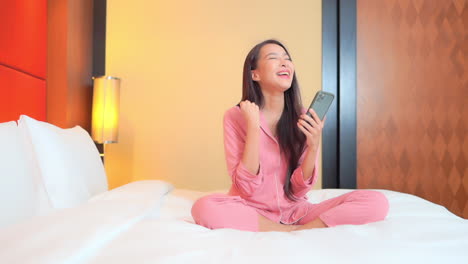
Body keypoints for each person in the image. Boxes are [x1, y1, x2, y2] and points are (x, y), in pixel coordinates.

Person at [191, 39, 389, 232]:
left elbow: (299, 191)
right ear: (255, 74)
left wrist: (313, 145)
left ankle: (296, 229)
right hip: (250, 211)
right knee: (203, 207)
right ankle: (286, 231)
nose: (284, 62)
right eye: (273, 58)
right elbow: (245, 188)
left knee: (376, 202)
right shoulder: (236, 116)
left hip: (297, 213)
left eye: (287, 58)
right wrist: (253, 127)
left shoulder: (303, 116)